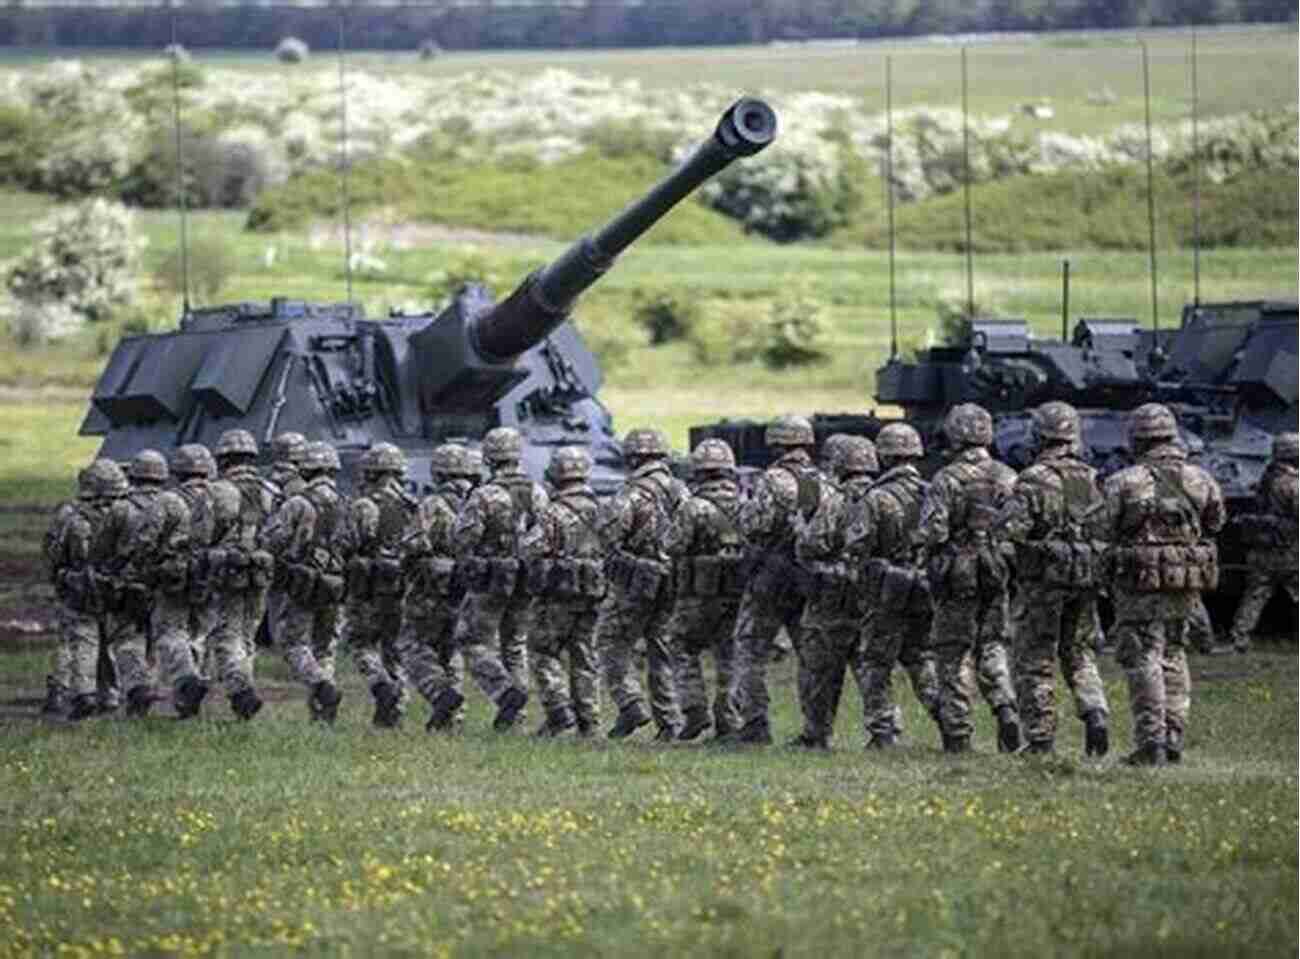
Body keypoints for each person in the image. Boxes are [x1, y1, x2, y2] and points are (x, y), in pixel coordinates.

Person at [1102, 403, 1225, 766]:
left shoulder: (1124, 481)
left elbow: (1102, 527)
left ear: (1137, 438)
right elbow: (1216, 522)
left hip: (1139, 582)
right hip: (1185, 581)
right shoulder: (1201, 479)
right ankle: (1172, 738)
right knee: (1174, 653)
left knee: (1144, 657)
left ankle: (1150, 743)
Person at [996, 402, 1110, 757]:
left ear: (1038, 435)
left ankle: (1041, 738)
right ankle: (1096, 714)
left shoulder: (1033, 478)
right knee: (1079, 653)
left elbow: (1012, 531)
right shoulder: (1090, 478)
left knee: (1034, 658)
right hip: (1086, 580)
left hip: (1043, 584)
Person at [915, 403, 1022, 754]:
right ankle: (1005, 707)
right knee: (992, 645)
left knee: (954, 652)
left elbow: (934, 531)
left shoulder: (946, 479)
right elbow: (1017, 527)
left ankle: (959, 734)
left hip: (957, 575)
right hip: (996, 570)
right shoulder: (1008, 476)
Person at [728, 414, 823, 746]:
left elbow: (759, 524)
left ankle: (755, 725)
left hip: (771, 576)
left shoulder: (774, 479)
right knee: (810, 654)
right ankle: (815, 731)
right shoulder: (822, 479)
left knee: (749, 649)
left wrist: (741, 509)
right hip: (808, 577)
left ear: (776, 444)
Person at [846, 423, 942, 749]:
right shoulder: (932, 492)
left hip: (887, 591)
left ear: (883, 457)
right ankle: (950, 719)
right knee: (921, 657)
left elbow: (856, 543)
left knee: (875, 660)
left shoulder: (876, 497)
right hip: (926, 588)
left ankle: (883, 732)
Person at [595, 428, 690, 741]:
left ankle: (630, 703)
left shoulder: (632, 493)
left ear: (633, 457)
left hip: (635, 583)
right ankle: (671, 721)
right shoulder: (681, 490)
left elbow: (609, 534)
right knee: (661, 650)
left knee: (611, 643)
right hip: (673, 581)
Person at [453, 427, 546, 731]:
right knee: (515, 644)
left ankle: (505, 691)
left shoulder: (485, 494)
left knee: (471, 640)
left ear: (488, 457)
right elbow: (546, 533)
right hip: (526, 578)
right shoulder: (538, 491)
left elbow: (464, 537)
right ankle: (515, 718)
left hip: (490, 580)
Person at [792, 435, 879, 749]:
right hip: (876, 594)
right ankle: (885, 730)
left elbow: (811, 544)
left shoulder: (836, 501)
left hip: (833, 595)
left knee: (818, 666)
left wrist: (800, 527)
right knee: (870, 664)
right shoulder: (884, 497)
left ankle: (816, 733)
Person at [662, 438, 747, 742]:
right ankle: (729, 719)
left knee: (681, 646)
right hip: (736, 595)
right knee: (730, 655)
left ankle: (695, 710)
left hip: (697, 595)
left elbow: (672, 545)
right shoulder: (746, 503)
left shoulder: (693, 507)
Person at [520, 446, 607, 737]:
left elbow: (529, 548)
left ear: (555, 476)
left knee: (543, 652)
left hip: (557, 595)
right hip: (593, 594)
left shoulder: (553, 513)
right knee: (585, 655)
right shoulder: (602, 510)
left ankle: (559, 712)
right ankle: (590, 721)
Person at [260, 440, 344, 721]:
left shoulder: (298, 503)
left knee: (293, 644)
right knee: (325, 647)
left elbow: (272, 540)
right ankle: (322, 711)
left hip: (303, 584)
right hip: (335, 585)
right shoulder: (347, 503)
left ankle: (321, 685)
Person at [338, 443, 419, 727]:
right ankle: (395, 712)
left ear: (370, 472)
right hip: (402, 589)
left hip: (368, 589)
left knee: (360, 643)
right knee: (395, 650)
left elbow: (346, 544)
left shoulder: (364, 504)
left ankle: (380, 685)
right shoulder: (412, 505)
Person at [399, 444, 479, 732]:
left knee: (412, 647)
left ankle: (439, 693)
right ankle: (452, 720)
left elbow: (413, 544)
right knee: (451, 652)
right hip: (467, 591)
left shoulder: (432, 505)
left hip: (430, 591)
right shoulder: (479, 502)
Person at [141, 444, 221, 719]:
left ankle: (186, 680)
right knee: (201, 633)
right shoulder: (222, 497)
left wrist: (149, 567)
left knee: (170, 631)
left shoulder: (167, 501)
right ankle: (189, 698)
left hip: (174, 576)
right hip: (212, 574)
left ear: (176, 471)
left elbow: (146, 541)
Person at [204, 430, 277, 720]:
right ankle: (244, 693)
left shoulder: (217, 491)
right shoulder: (270, 490)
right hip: (260, 571)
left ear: (223, 459)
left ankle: (241, 691)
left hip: (228, 570)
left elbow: (202, 534)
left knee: (226, 635)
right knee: (248, 636)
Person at [44, 460, 123, 721]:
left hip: (76, 587)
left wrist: (59, 576)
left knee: (75, 640)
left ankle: (68, 691)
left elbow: (54, 551)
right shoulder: (125, 512)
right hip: (113, 586)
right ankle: (110, 693)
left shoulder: (69, 514)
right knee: (109, 640)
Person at [1228, 431, 1298, 653]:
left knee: (1255, 595)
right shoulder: (1293, 484)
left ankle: (1239, 638)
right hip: (1290, 551)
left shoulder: (1267, 479)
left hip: (1262, 549)